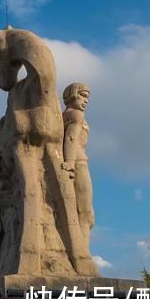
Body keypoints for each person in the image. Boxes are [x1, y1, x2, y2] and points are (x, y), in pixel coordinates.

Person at [61, 83, 95, 249]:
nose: (86, 100)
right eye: (83, 95)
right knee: (85, 213)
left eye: (87, 96)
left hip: (77, 162)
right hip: (79, 163)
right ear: (72, 95)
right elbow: (71, 138)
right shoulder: (76, 114)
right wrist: (70, 164)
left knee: (86, 214)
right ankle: (82, 252)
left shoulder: (67, 115)